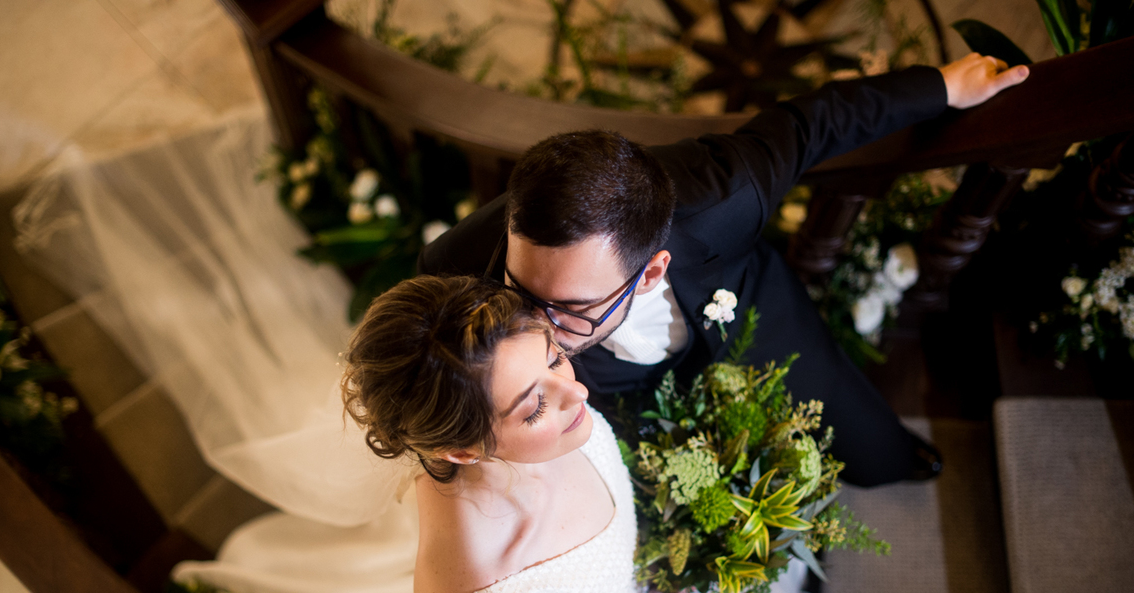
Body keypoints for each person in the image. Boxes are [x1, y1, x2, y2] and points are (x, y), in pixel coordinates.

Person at [177, 274, 834, 593]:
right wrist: (671, 592)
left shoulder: (520, 395)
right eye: (535, 405)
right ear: (463, 450)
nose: (576, 392)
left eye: (554, 357)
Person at [418, 54, 1030, 487]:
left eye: (572, 307)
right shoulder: (452, 270)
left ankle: (890, 461)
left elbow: (810, 124)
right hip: (601, 398)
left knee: (862, 441)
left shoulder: (727, 196)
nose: (539, 326)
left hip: (747, 314)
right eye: (522, 290)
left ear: (652, 271)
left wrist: (943, 87)